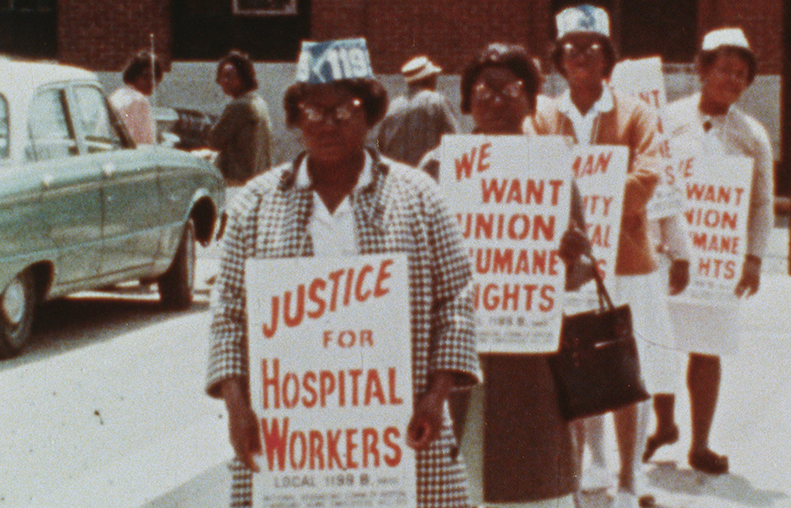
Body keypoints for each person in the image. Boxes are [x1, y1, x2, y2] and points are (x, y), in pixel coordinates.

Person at [205, 39, 480, 508]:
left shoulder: (419, 196)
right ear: (294, 117)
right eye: (313, 110)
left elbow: (456, 297)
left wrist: (437, 395)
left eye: (344, 110)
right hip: (294, 437)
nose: (327, 123)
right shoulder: (255, 202)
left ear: (370, 113)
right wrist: (236, 406)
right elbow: (228, 312)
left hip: (401, 427)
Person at [421, 43, 592, 508]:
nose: (496, 100)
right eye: (484, 90)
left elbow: (579, 272)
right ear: (466, 100)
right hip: (455, 349)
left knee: (527, 481)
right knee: (457, 475)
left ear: (531, 101)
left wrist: (573, 256)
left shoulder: (552, 169)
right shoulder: (437, 168)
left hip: (527, 354)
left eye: (510, 90)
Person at [531, 5, 664, 508]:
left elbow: (649, 173)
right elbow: (533, 179)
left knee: (628, 366)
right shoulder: (541, 114)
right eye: (572, 47)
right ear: (560, 58)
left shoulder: (636, 112)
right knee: (580, 361)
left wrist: (593, 203)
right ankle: (595, 464)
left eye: (593, 46)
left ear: (608, 56)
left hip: (627, 259)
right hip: (569, 262)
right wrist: (574, 215)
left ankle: (632, 478)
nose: (583, 55)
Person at [644, 27, 774, 475]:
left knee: (707, 346)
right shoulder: (667, 118)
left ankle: (700, 443)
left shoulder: (752, 134)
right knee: (660, 340)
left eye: (742, 75)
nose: (733, 81)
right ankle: (663, 426)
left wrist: (754, 258)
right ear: (702, 69)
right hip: (668, 251)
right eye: (724, 70)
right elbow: (653, 180)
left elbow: (760, 202)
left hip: (720, 256)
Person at [376, 55, 459, 169]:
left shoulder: (393, 106)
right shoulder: (437, 101)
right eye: (434, 76)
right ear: (428, 78)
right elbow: (455, 141)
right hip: (429, 179)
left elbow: (379, 145)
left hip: (397, 179)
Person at [208, 50, 273, 187]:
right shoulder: (259, 102)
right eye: (222, 76)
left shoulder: (239, 106)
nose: (224, 81)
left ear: (243, 78)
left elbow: (214, 141)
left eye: (229, 76)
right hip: (259, 178)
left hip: (237, 181)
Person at [109, 51, 164, 145]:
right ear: (134, 75)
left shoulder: (115, 95)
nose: (151, 82)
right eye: (146, 76)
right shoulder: (139, 100)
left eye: (155, 78)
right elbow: (146, 143)